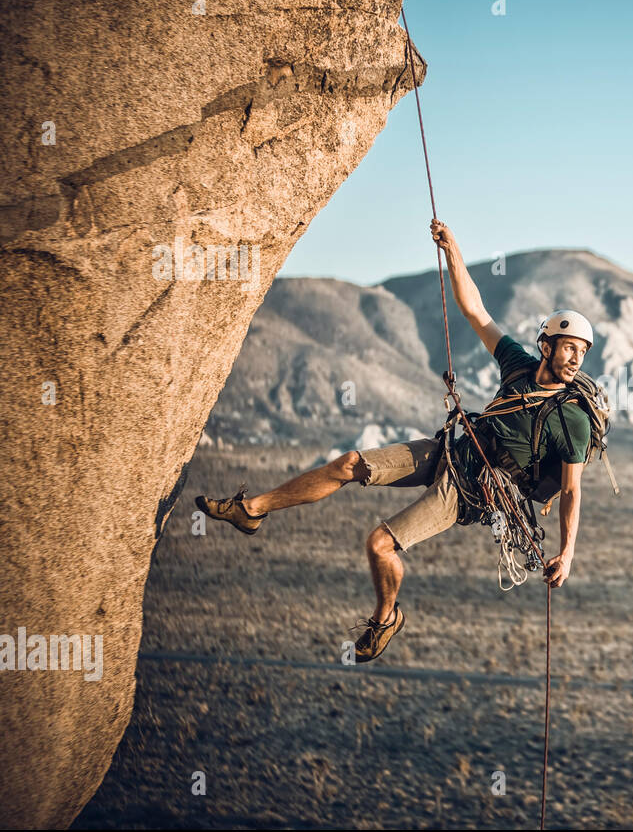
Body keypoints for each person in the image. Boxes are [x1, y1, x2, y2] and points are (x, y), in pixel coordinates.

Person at [194, 218, 595, 663]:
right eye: (570, 347)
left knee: (379, 544)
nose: (576, 357)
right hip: (449, 451)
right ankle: (250, 511)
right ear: (547, 345)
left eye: (583, 351)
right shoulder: (517, 364)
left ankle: (386, 619)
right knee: (349, 464)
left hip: (469, 492)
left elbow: (572, 490)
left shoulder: (571, 419)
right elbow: (476, 312)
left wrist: (568, 552)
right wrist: (453, 251)